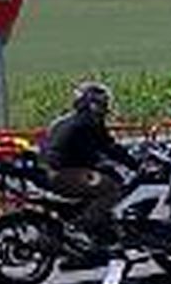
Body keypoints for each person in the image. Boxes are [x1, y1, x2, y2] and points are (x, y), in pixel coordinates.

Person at [40, 81, 137, 240]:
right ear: (91, 104)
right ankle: (82, 228)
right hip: (63, 174)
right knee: (111, 189)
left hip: (47, 171)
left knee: (99, 179)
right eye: (102, 103)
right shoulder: (89, 122)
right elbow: (109, 148)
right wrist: (136, 164)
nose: (104, 107)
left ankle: (94, 226)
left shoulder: (61, 121)